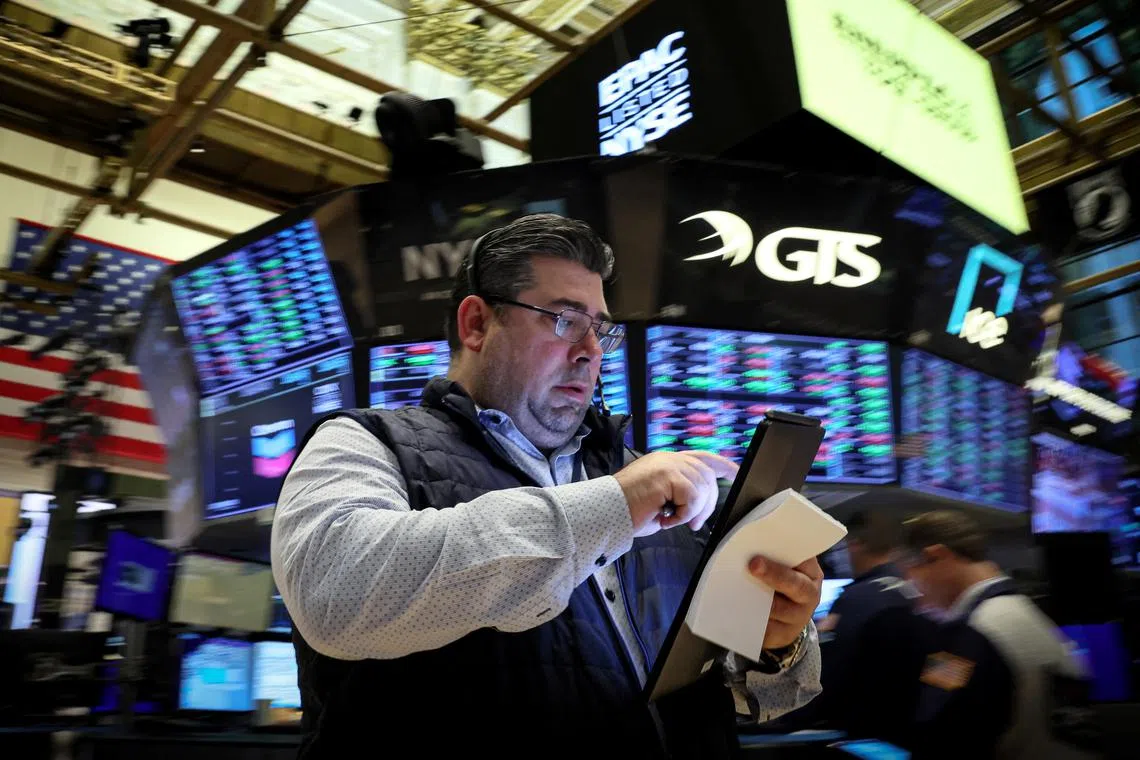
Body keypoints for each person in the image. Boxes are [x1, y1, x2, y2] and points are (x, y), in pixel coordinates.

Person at [271, 214, 824, 759]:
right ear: (477, 325)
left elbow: (749, 695)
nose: (592, 350)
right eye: (563, 319)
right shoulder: (366, 442)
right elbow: (335, 596)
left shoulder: (650, 480)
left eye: (600, 328)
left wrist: (778, 644)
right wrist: (615, 505)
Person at [899, 510, 1093, 760]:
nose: (918, 601)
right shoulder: (1026, 611)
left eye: (913, 580)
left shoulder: (966, 634)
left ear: (937, 556)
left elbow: (935, 729)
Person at [778, 511, 934, 745]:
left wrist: (780, 718)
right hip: (908, 734)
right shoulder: (920, 596)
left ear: (855, 545)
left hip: (863, 734)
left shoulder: (857, 598)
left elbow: (825, 676)